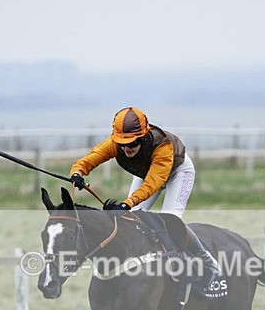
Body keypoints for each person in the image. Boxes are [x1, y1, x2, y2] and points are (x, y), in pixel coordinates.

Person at [69, 106, 226, 298]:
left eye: (132, 143)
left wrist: (127, 204)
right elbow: (88, 160)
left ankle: (208, 262)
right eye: (122, 144)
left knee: (170, 220)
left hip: (177, 172)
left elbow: (153, 183)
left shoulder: (162, 146)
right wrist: (77, 173)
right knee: (129, 219)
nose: (126, 148)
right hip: (146, 172)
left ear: (143, 137)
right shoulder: (115, 144)